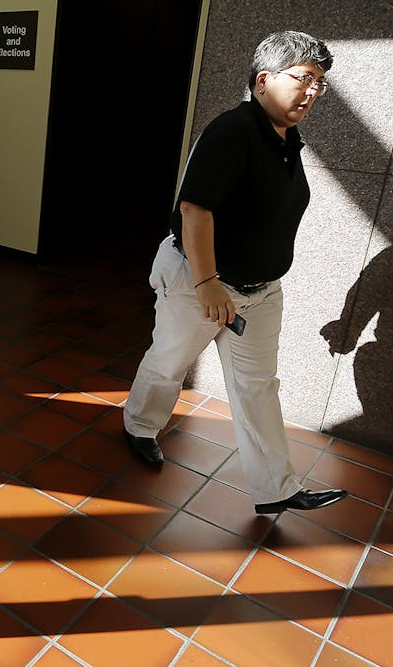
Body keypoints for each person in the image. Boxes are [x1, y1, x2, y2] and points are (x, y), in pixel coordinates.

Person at [122, 31, 347, 516]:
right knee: (169, 362)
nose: (312, 91)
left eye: (320, 83)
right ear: (264, 80)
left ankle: (277, 489)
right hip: (199, 280)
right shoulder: (232, 131)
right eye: (304, 78)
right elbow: (195, 210)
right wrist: (208, 285)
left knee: (257, 385)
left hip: (260, 292)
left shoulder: (287, 140)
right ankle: (139, 426)